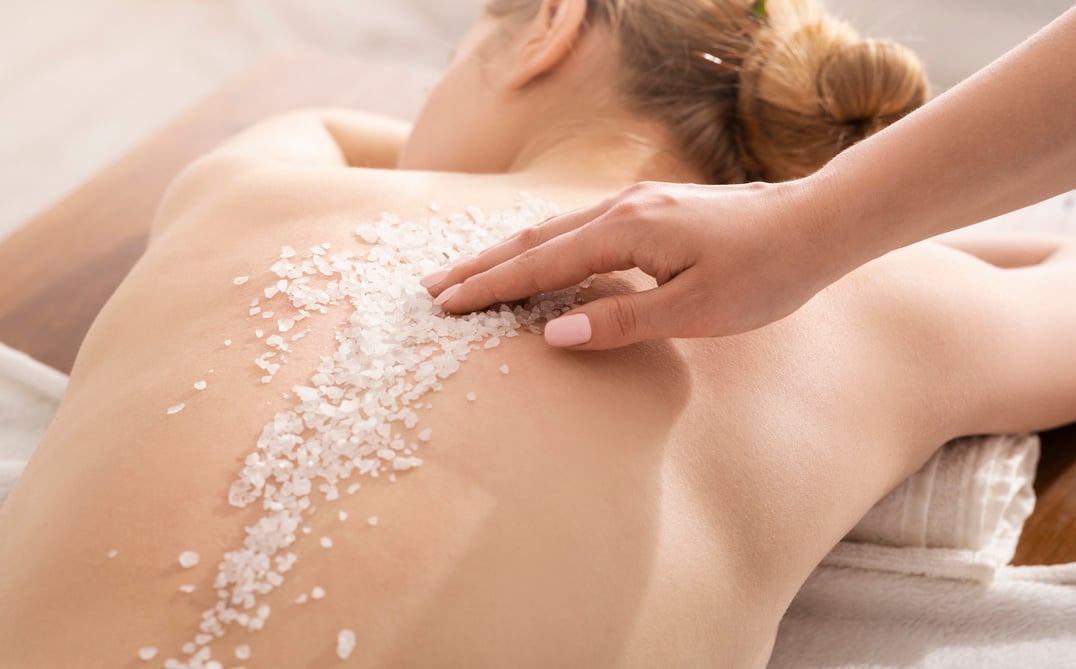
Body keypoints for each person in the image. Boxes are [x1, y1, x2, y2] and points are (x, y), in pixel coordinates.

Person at [1, 0, 1074, 667]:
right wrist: (875, 235)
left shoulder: (249, 192)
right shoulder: (869, 313)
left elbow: (317, 123)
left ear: (549, 25)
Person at [427, 5, 1076, 350]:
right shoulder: (856, 305)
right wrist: (853, 236)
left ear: (550, 22)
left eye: (451, 58)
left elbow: (329, 130)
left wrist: (820, 220)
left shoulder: (332, 203)